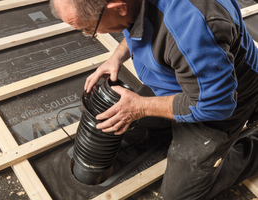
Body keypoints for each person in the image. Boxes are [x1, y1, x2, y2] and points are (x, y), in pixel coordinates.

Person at [50, 0, 258, 199]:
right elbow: (140, 19)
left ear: (118, 7)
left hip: (220, 97)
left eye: (88, 29)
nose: (88, 33)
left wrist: (141, 107)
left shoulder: (193, 28)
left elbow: (216, 104)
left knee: (179, 195)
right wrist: (117, 56)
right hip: (180, 80)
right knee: (126, 121)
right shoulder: (131, 5)